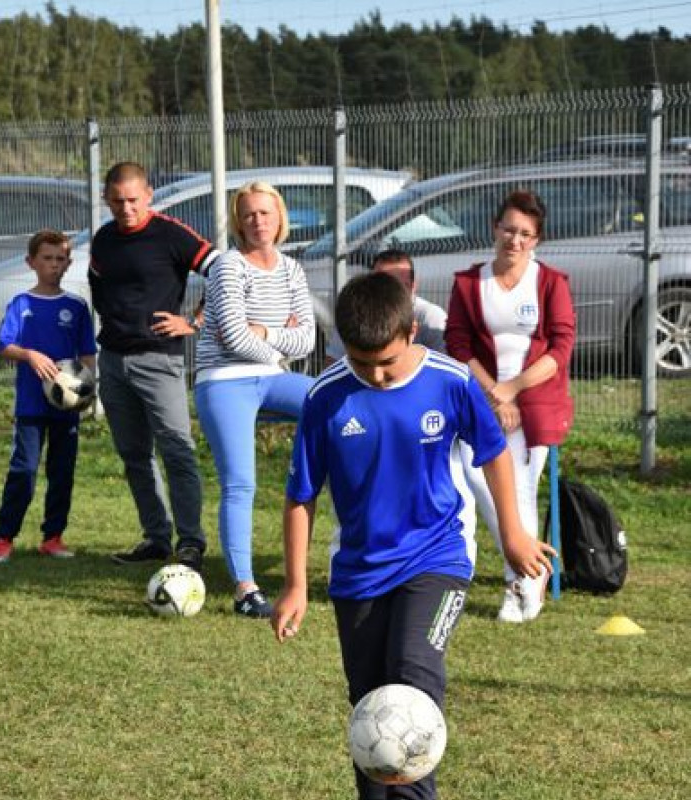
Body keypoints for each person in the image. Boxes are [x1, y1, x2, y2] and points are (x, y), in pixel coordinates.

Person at [271, 272, 554, 800]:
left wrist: (512, 534)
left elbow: (493, 452)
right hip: (358, 575)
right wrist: (296, 584)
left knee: (413, 671)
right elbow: (299, 496)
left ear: (410, 331)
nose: (376, 375)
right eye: (361, 362)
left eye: (388, 361)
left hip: (438, 559)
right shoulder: (325, 397)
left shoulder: (449, 381)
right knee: (370, 703)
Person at [445, 190, 576, 623]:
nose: (514, 240)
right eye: (508, 229)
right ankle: (532, 567)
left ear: (536, 239)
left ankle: (517, 583)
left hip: (534, 402)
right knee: (478, 480)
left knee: (519, 489)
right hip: (481, 400)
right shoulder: (468, 283)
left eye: (525, 234)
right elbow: (458, 344)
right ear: (493, 228)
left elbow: (561, 346)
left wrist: (514, 389)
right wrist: (492, 393)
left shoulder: (552, 282)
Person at [89, 161, 220, 570]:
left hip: (160, 360)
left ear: (148, 195)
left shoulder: (171, 234)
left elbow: (222, 271)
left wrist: (194, 322)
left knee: (177, 451)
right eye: (117, 202)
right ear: (106, 200)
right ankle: (156, 538)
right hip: (112, 361)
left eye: (132, 200)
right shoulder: (104, 239)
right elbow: (99, 290)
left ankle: (191, 542)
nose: (126, 209)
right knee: (134, 455)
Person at [194, 181, 315, 618]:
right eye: (248, 215)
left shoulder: (292, 270)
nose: (258, 221)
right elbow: (231, 334)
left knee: (334, 404)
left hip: (272, 373)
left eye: (265, 213)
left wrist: (268, 336)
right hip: (223, 378)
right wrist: (278, 346)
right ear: (238, 222)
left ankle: (319, 485)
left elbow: (308, 339)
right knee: (240, 482)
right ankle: (246, 589)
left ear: (280, 217)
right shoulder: (228, 266)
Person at [0, 229, 97, 563]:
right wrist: (30, 355)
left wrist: (89, 393)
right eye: (47, 258)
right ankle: (4, 537)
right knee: (24, 470)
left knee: (62, 473)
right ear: (31, 262)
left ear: (68, 263)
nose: (54, 264)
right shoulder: (21, 304)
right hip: (32, 406)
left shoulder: (76, 306)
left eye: (60, 259)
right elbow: (5, 347)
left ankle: (53, 537)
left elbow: (87, 355)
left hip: (67, 407)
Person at [324, 248, 446, 365]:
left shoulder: (431, 318)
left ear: (414, 286)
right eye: (383, 285)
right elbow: (333, 362)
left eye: (400, 286)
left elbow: (445, 373)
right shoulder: (354, 312)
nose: (391, 293)